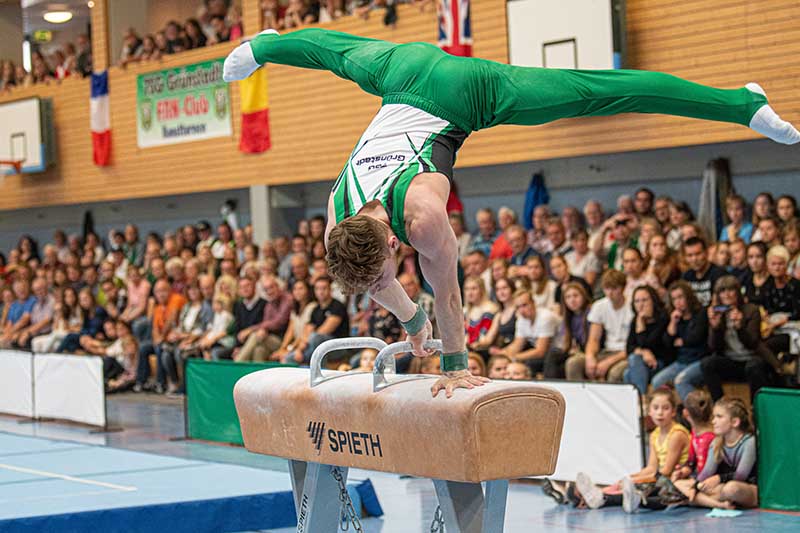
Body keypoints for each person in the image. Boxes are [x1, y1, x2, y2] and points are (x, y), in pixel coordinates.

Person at [224, 28, 798, 397]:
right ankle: (264, 46)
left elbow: (448, 295)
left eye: (381, 277)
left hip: (460, 92)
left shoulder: (422, 216)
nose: (380, 286)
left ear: (397, 246)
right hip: (399, 73)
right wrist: (412, 323)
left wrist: (452, 359)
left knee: (597, 90)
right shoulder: (337, 214)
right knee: (336, 54)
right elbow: (382, 283)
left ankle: (741, 103)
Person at [572, 389, 690, 513]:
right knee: (624, 484)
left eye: (665, 408)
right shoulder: (654, 435)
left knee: (634, 488)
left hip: (674, 479)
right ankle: (592, 496)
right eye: (656, 408)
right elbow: (651, 468)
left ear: (673, 412)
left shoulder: (677, 434)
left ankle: (600, 497)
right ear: (649, 411)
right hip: (660, 478)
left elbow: (666, 472)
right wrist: (628, 478)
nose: (660, 413)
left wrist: (635, 481)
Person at [703, 276, 781, 400]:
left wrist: (739, 327)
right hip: (731, 361)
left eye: (730, 290)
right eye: (722, 291)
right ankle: (720, 404)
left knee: (753, 366)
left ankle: (755, 407)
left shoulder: (751, 310)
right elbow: (714, 347)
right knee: (707, 364)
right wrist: (715, 328)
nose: (727, 295)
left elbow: (753, 342)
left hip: (752, 359)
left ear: (737, 292)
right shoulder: (717, 313)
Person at [674, 398, 758, 509]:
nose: (713, 421)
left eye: (719, 417)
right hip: (721, 488)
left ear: (735, 422)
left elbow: (741, 476)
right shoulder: (717, 442)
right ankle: (720, 504)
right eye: (714, 417)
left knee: (730, 488)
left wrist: (718, 478)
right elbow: (706, 473)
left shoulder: (749, 442)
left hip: (746, 488)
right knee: (679, 484)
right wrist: (695, 487)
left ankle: (695, 500)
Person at [565, 270, 632, 382]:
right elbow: (594, 339)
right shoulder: (599, 306)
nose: (610, 293)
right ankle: (578, 398)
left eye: (614, 289)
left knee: (615, 373)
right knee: (573, 363)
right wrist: (590, 357)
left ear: (623, 288)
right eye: (607, 289)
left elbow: (633, 345)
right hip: (606, 350)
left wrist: (608, 362)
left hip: (625, 353)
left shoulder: (632, 306)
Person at [652, 281, 709, 400]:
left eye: (680, 297)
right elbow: (667, 342)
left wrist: (682, 341)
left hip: (699, 361)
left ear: (688, 296)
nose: (678, 302)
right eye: (674, 299)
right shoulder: (675, 317)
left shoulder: (701, 313)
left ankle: (696, 413)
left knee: (681, 381)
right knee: (657, 381)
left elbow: (696, 338)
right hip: (681, 362)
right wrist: (673, 322)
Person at [497, 289, 563, 379]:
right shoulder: (521, 320)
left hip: (561, 350)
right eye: (518, 307)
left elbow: (540, 351)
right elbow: (517, 345)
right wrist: (503, 354)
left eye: (524, 305)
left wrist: (514, 357)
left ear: (533, 303)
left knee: (530, 362)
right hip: (545, 352)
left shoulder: (546, 317)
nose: (521, 310)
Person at [624, 286, 670, 396]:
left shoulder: (663, 318)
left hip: (661, 362)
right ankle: (640, 401)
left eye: (645, 300)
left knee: (629, 372)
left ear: (653, 300)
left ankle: (640, 400)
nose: (641, 304)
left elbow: (649, 344)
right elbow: (629, 348)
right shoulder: (635, 320)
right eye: (637, 301)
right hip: (644, 363)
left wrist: (641, 325)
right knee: (629, 368)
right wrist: (643, 352)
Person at [672, 390, 715, 483]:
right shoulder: (695, 432)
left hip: (708, 481)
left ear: (685, 413)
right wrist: (683, 472)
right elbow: (692, 461)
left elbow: (707, 473)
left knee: (677, 485)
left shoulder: (709, 438)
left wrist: (692, 482)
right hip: (699, 478)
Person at [682, 237, 727, 307]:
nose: (694, 259)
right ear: (685, 258)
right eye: (690, 255)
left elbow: (726, 305)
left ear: (706, 253)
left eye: (698, 254)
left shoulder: (719, 274)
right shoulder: (686, 277)